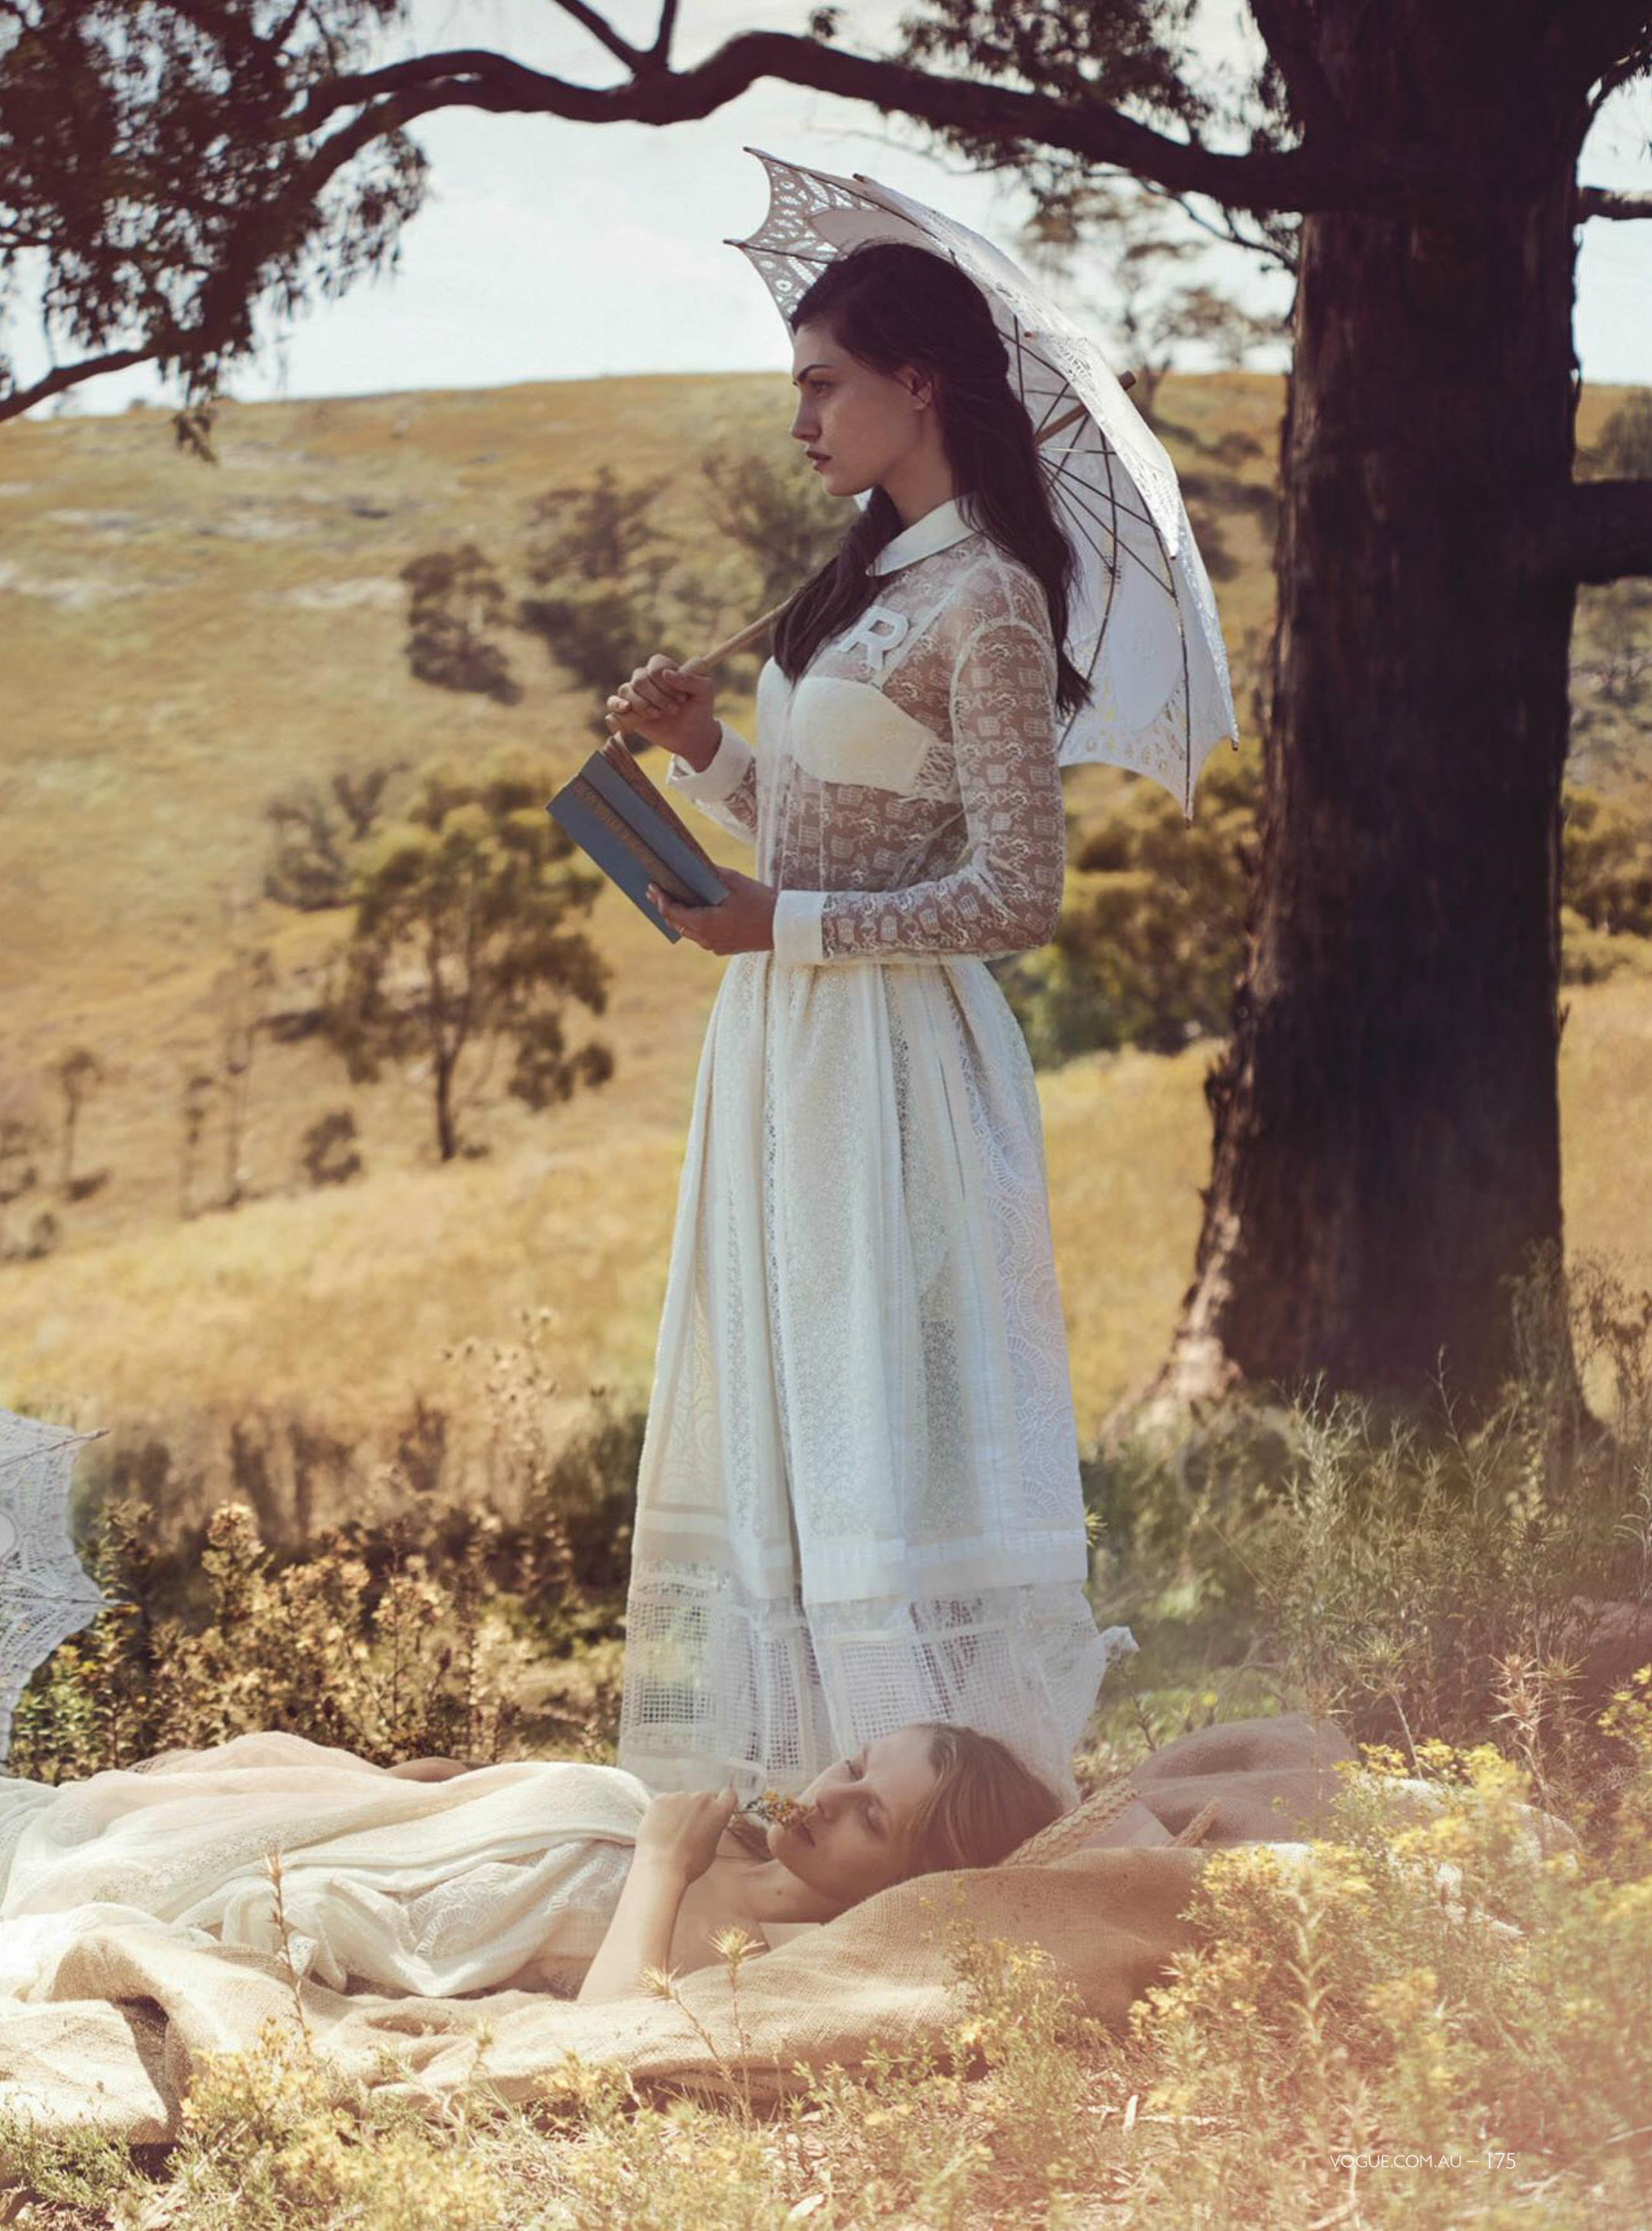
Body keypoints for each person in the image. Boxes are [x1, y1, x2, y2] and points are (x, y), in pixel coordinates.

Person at [607, 238, 1134, 1812]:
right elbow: (823, 828)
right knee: (798, 1394)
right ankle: (817, 1780)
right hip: (784, 1047)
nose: (801, 422)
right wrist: (706, 752)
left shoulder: (991, 602)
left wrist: (785, 924)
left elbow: (1017, 892)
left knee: (881, 1406)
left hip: (895, 1058)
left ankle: (928, 1793)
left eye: (822, 385)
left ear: (919, 382)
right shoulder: (862, 591)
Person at [0, 1721, 1064, 2007]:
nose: (826, 1796)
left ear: (913, 1885)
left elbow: (613, 2033)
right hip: (364, 1824)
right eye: (853, 1765)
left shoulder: (769, 1951)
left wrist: (660, 1863)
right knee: (74, 1822)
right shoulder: (741, 1826)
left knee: (63, 1885)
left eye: (870, 1816)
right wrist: (443, 1781)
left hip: (342, 1900)